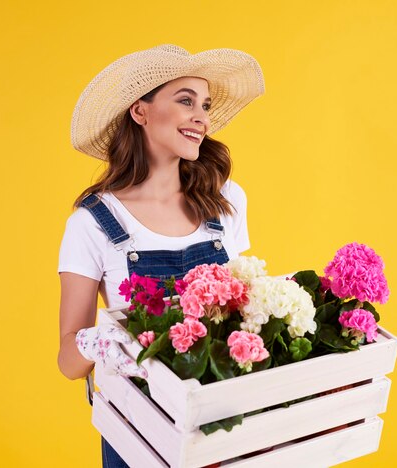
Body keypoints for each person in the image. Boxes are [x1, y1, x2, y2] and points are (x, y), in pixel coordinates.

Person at [56, 44, 265, 467]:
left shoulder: (225, 201)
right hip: (137, 431)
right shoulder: (93, 222)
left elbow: (246, 310)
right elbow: (68, 362)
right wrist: (104, 341)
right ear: (141, 111)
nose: (201, 117)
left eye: (204, 105)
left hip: (218, 420)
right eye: (185, 100)